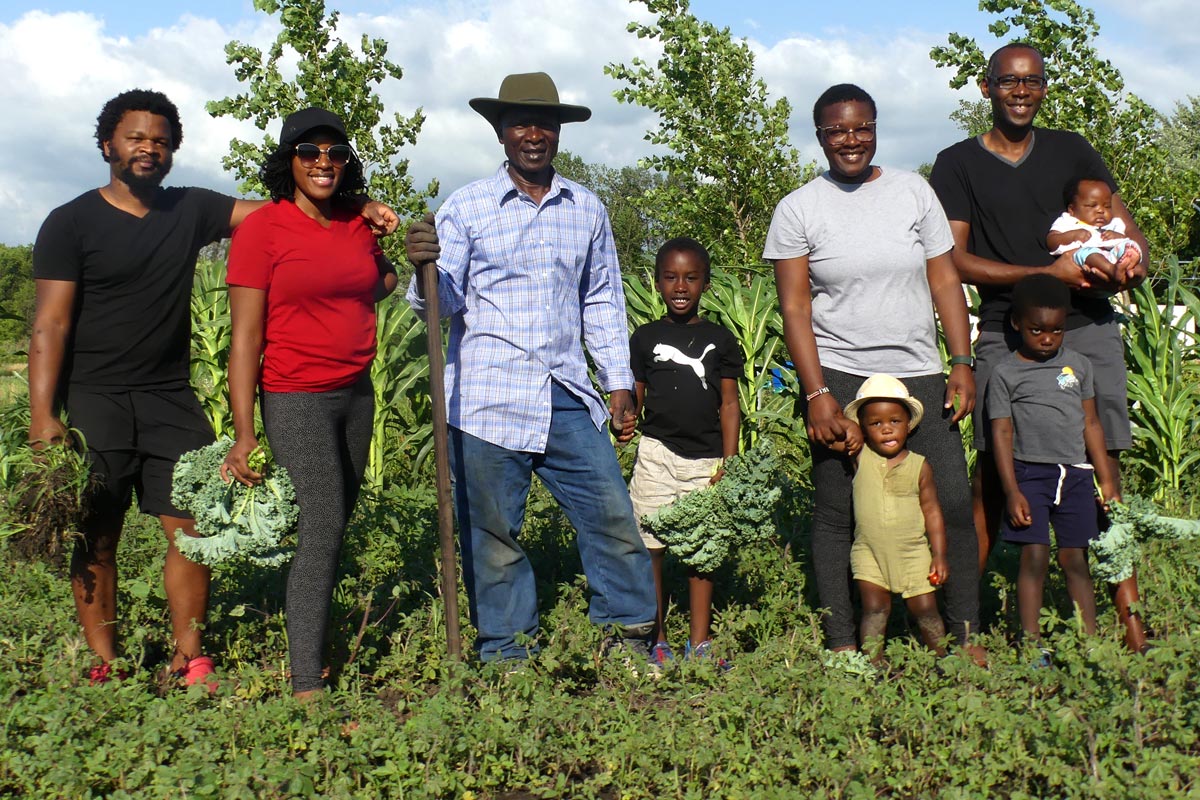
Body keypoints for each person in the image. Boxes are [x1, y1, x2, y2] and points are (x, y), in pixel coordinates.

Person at [27, 89, 397, 686]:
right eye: (135, 138)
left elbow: (290, 206)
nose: (148, 148)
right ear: (106, 146)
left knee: (195, 525)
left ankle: (189, 655)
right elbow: (50, 323)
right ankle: (103, 660)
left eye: (160, 140)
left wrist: (364, 201)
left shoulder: (189, 209)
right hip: (94, 394)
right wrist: (44, 414)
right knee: (98, 530)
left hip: (168, 392)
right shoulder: (69, 223)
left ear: (174, 149)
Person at [404, 72, 657, 666]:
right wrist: (423, 270)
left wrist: (617, 380)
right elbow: (445, 302)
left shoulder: (587, 209)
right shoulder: (466, 207)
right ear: (499, 132)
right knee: (493, 538)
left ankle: (629, 643)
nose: (534, 134)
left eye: (545, 123)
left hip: (567, 391)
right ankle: (507, 657)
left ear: (560, 133)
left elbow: (601, 299)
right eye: (520, 122)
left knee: (613, 520)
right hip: (488, 399)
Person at [929, 42, 1151, 652]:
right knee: (997, 474)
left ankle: (1130, 622)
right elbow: (954, 260)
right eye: (1008, 82)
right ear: (986, 87)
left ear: (1044, 88)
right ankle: (968, 623)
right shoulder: (956, 165)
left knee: (1102, 468)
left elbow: (1125, 228)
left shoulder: (1072, 149)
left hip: (1085, 326)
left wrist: (1132, 265)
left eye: (1032, 81)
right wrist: (1043, 275)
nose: (1020, 92)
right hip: (1006, 330)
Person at [766, 84, 982, 661]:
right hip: (840, 376)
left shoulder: (914, 192)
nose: (851, 139)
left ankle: (963, 637)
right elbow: (795, 309)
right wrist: (815, 393)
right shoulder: (799, 208)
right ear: (819, 136)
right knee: (840, 512)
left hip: (918, 375)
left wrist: (960, 363)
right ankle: (843, 643)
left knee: (954, 502)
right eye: (837, 130)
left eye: (861, 127)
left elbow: (944, 281)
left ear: (876, 126)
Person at [219, 108, 397, 698]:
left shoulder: (354, 222)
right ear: (287, 160)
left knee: (336, 518)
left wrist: (389, 240)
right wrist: (245, 432)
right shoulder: (263, 230)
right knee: (322, 522)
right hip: (295, 396)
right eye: (309, 151)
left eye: (335, 153)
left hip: (357, 392)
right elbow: (244, 338)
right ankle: (305, 682)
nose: (324, 162)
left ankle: (311, 631)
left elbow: (375, 283)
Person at [987, 275, 1119, 664]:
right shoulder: (1005, 373)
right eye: (1036, 329)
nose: (1047, 337)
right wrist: (1011, 490)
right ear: (1017, 324)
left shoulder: (1078, 366)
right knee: (1035, 557)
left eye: (1056, 329)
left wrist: (1105, 477)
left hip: (1076, 474)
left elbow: (1091, 423)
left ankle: (1090, 641)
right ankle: (1031, 647)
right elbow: (1001, 431)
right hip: (1030, 475)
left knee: (1075, 559)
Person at [626, 237, 742, 665]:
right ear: (657, 283)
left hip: (706, 460)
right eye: (671, 277)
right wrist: (624, 421)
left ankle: (701, 642)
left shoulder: (720, 339)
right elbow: (635, 393)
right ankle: (657, 638)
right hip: (656, 454)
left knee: (702, 549)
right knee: (649, 546)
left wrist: (728, 460)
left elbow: (729, 403)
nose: (681, 286)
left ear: (706, 284)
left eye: (691, 278)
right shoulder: (645, 337)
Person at [841, 375, 949, 663]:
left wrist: (938, 555)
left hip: (913, 553)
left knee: (926, 609)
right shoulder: (860, 456)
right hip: (869, 552)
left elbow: (933, 512)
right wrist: (850, 426)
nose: (886, 429)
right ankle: (872, 668)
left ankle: (942, 663)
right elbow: (833, 429)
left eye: (895, 421)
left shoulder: (919, 466)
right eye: (875, 423)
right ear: (862, 429)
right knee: (875, 609)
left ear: (908, 424)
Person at [1046, 175, 1140, 288]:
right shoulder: (1068, 221)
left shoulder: (1113, 224)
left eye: (1107, 206)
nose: (1101, 210)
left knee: (1129, 244)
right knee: (1089, 252)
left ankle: (1130, 260)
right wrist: (1071, 235)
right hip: (1085, 257)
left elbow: (1122, 238)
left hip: (1113, 255)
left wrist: (1116, 235)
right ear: (1072, 210)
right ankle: (1112, 269)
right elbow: (1051, 241)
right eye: (1091, 206)